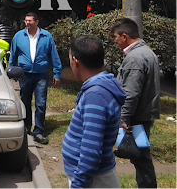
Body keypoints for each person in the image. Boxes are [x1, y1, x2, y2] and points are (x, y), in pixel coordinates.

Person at [62, 36, 126, 189]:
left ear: (75, 61)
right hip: (93, 177)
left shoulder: (96, 95)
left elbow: (91, 151)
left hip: (93, 180)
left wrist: (78, 185)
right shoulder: (101, 86)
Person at [109, 18, 160, 189]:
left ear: (124, 36)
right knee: (140, 158)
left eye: (115, 37)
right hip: (143, 113)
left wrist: (123, 118)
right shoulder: (147, 52)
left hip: (136, 116)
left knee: (141, 159)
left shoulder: (135, 58)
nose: (115, 41)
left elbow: (130, 93)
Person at [9, 12, 62, 145]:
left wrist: (57, 73)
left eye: (30, 21)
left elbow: (54, 55)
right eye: (26, 21)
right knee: (25, 101)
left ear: (37, 22)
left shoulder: (46, 36)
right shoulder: (19, 36)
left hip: (41, 75)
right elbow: (13, 54)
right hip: (25, 74)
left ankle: (38, 131)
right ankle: (27, 126)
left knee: (41, 103)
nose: (27, 23)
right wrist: (11, 70)